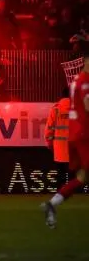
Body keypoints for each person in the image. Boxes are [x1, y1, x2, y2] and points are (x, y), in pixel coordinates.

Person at [43, 56, 89, 228]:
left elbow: (49, 127)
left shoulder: (57, 106)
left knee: (81, 177)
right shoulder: (84, 83)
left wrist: (49, 141)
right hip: (84, 137)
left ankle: (52, 204)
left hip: (69, 142)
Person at [45, 88, 71, 186]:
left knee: (61, 176)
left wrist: (49, 143)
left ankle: (61, 194)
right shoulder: (77, 108)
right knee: (74, 177)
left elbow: (49, 128)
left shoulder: (56, 109)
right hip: (74, 148)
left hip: (59, 148)